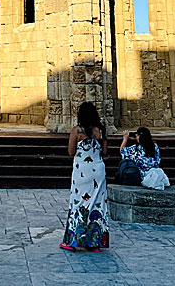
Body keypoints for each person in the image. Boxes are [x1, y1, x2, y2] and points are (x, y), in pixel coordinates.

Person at [60, 102, 109, 252]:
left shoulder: (77, 131)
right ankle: (94, 242)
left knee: (78, 203)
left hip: (82, 170)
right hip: (98, 170)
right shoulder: (100, 130)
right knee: (97, 204)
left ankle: (73, 241)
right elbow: (105, 153)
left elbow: (70, 151)